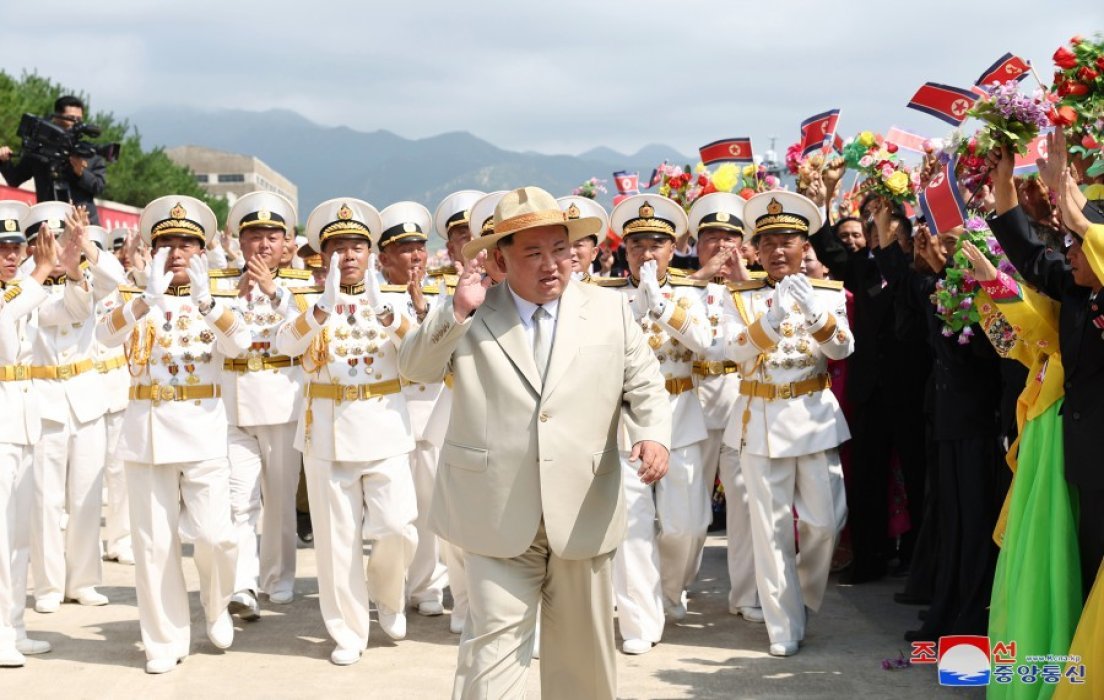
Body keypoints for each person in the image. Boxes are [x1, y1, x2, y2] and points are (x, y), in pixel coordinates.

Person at [397, 186, 671, 699]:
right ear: (499, 258)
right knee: (492, 653)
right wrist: (457, 311)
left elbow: (646, 384)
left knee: (583, 659)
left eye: (560, 250)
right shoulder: (472, 311)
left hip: (584, 505)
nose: (552, 265)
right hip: (497, 510)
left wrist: (653, 436)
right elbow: (413, 369)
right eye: (534, 253)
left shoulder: (609, 311)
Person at [95, 195, 249, 674]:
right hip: (148, 433)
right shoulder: (136, 295)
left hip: (202, 429)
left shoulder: (217, 295)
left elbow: (241, 342)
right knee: (154, 543)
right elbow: (104, 335)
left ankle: (217, 602)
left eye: (186, 244)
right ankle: (164, 639)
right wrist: (147, 299)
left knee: (216, 536)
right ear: (152, 249)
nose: (177, 252)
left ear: (202, 252)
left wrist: (205, 304)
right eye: (167, 244)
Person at [274, 198, 419, 666]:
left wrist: (387, 314)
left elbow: (420, 356)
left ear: (372, 254)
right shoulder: (308, 304)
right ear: (323, 257)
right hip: (329, 432)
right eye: (338, 248)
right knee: (337, 541)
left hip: (384, 426)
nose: (349, 255)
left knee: (397, 528)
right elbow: (284, 343)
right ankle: (348, 629)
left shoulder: (394, 299)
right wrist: (320, 308)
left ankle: (388, 595)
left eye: (357, 246)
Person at [721, 191, 853, 657]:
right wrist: (773, 318)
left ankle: (797, 596)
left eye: (789, 241)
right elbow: (731, 351)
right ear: (755, 250)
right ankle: (783, 624)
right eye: (769, 241)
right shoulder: (738, 298)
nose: (779, 250)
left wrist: (814, 314)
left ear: (804, 247)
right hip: (760, 420)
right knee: (770, 529)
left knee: (825, 522)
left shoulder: (827, 294)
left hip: (814, 419)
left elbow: (841, 349)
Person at [589, 194, 711, 655]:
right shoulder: (606, 296)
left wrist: (661, 306)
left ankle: (669, 590)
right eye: (637, 243)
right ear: (624, 248)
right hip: (627, 423)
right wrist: (634, 308)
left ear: (674, 246)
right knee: (634, 527)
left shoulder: (693, 292)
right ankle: (639, 620)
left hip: (681, 418)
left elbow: (707, 344)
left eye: (657, 243)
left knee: (687, 526)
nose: (646, 252)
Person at [988, 137, 1104, 599]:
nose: (1069, 252)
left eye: (1079, 245)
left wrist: (1064, 192)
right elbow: (1032, 256)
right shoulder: (1079, 292)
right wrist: (1004, 189)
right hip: (1082, 461)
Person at [210, 192, 314, 618]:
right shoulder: (219, 286)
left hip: (282, 401)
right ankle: (244, 585)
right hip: (232, 403)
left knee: (280, 500)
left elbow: (310, 332)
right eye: (254, 236)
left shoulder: (300, 289)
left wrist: (275, 293)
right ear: (238, 241)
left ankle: (279, 577)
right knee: (240, 501)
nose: (263, 245)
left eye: (273, 236)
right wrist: (238, 295)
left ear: (286, 242)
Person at [22, 202, 125, 613]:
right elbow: (51, 311)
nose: (57, 247)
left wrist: (85, 252)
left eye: (62, 239)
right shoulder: (20, 285)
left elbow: (110, 283)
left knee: (86, 495)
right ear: (32, 247)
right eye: (45, 241)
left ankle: (82, 580)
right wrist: (57, 271)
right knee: (46, 501)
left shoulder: (82, 278)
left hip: (84, 398)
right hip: (43, 399)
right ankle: (48, 585)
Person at [373, 201, 454, 624]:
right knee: (393, 512)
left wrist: (423, 307)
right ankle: (390, 587)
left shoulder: (443, 293)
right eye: (405, 248)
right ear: (384, 257)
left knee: (430, 504)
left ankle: (427, 585)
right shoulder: (370, 296)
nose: (416, 255)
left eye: (420, 246)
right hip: (390, 409)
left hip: (435, 409)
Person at [0, 204, 73, 666]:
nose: (11, 256)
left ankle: (14, 625)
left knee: (19, 535)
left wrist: (65, 264)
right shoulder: (15, 294)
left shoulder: (19, 290)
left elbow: (73, 305)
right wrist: (42, 270)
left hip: (21, 421)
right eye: (2, 249)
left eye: (15, 247)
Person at [685, 192, 762, 623]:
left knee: (744, 500)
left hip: (740, 401)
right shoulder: (685, 284)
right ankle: (676, 586)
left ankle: (746, 593)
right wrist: (703, 276)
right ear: (697, 244)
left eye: (729, 237)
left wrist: (740, 278)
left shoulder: (753, 286)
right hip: (693, 401)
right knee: (689, 509)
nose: (720, 246)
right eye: (711, 237)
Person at [0, 96, 107, 225]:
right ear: (56, 118)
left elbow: (99, 186)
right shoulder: (39, 150)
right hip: (50, 225)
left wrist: (81, 173)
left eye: (79, 119)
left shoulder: (88, 152)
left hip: (84, 226)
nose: (76, 123)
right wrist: (4, 161)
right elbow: (14, 179)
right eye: (72, 118)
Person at [556, 195, 609, 282]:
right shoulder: (540, 294)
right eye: (563, 246)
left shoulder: (607, 293)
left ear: (594, 253)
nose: (571, 252)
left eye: (578, 245)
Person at [432, 190, 485, 275]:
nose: (472, 241)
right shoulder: (438, 285)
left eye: (476, 234)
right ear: (451, 248)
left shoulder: (502, 277)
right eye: (464, 237)